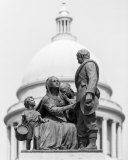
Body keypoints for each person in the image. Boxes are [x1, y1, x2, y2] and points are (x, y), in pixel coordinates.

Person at [36, 76, 78, 150]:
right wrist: (69, 106)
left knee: (72, 127)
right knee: (50, 125)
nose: (57, 82)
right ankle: (50, 146)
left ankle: (66, 147)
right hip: (50, 119)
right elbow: (53, 110)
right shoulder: (46, 98)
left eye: (58, 80)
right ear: (50, 85)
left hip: (62, 119)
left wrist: (70, 103)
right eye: (54, 81)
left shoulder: (62, 96)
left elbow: (70, 102)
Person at [75, 49, 100, 149]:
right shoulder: (84, 65)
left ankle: (92, 144)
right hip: (81, 95)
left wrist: (89, 93)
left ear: (82, 56)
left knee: (89, 118)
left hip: (86, 94)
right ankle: (82, 143)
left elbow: (92, 78)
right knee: (80, 120)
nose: (77, 61)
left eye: (78, 58)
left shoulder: (90, 64)